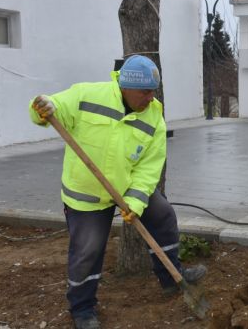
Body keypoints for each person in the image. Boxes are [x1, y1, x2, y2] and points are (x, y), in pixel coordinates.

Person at [29, 55, 206, 329]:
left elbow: (149, 166)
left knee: (163, 215)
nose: (150, 98)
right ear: (126, 86)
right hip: (86, 193)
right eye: (145, 92)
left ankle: (172, 277)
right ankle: (82, 308)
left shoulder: (153, 117)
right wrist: (43, 107)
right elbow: (55, 108)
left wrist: (135, 201)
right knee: (88, 249)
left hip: (125, 187)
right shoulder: (88, 95)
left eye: (153, 92)